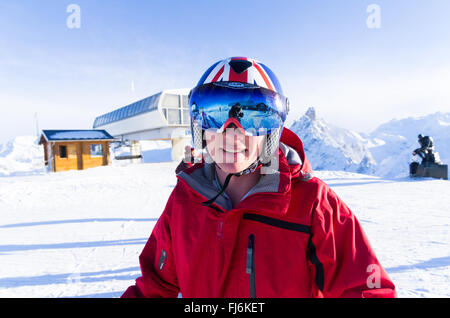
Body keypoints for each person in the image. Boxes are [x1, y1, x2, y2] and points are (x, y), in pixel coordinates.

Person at [122, 57, 396, 298]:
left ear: (271, 132)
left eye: (253, 116)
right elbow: (154, 287)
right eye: (216, 115)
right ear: (200, 126)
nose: (232, 132)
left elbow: (366, 289)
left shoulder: (313, 205)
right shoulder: (185, 200)